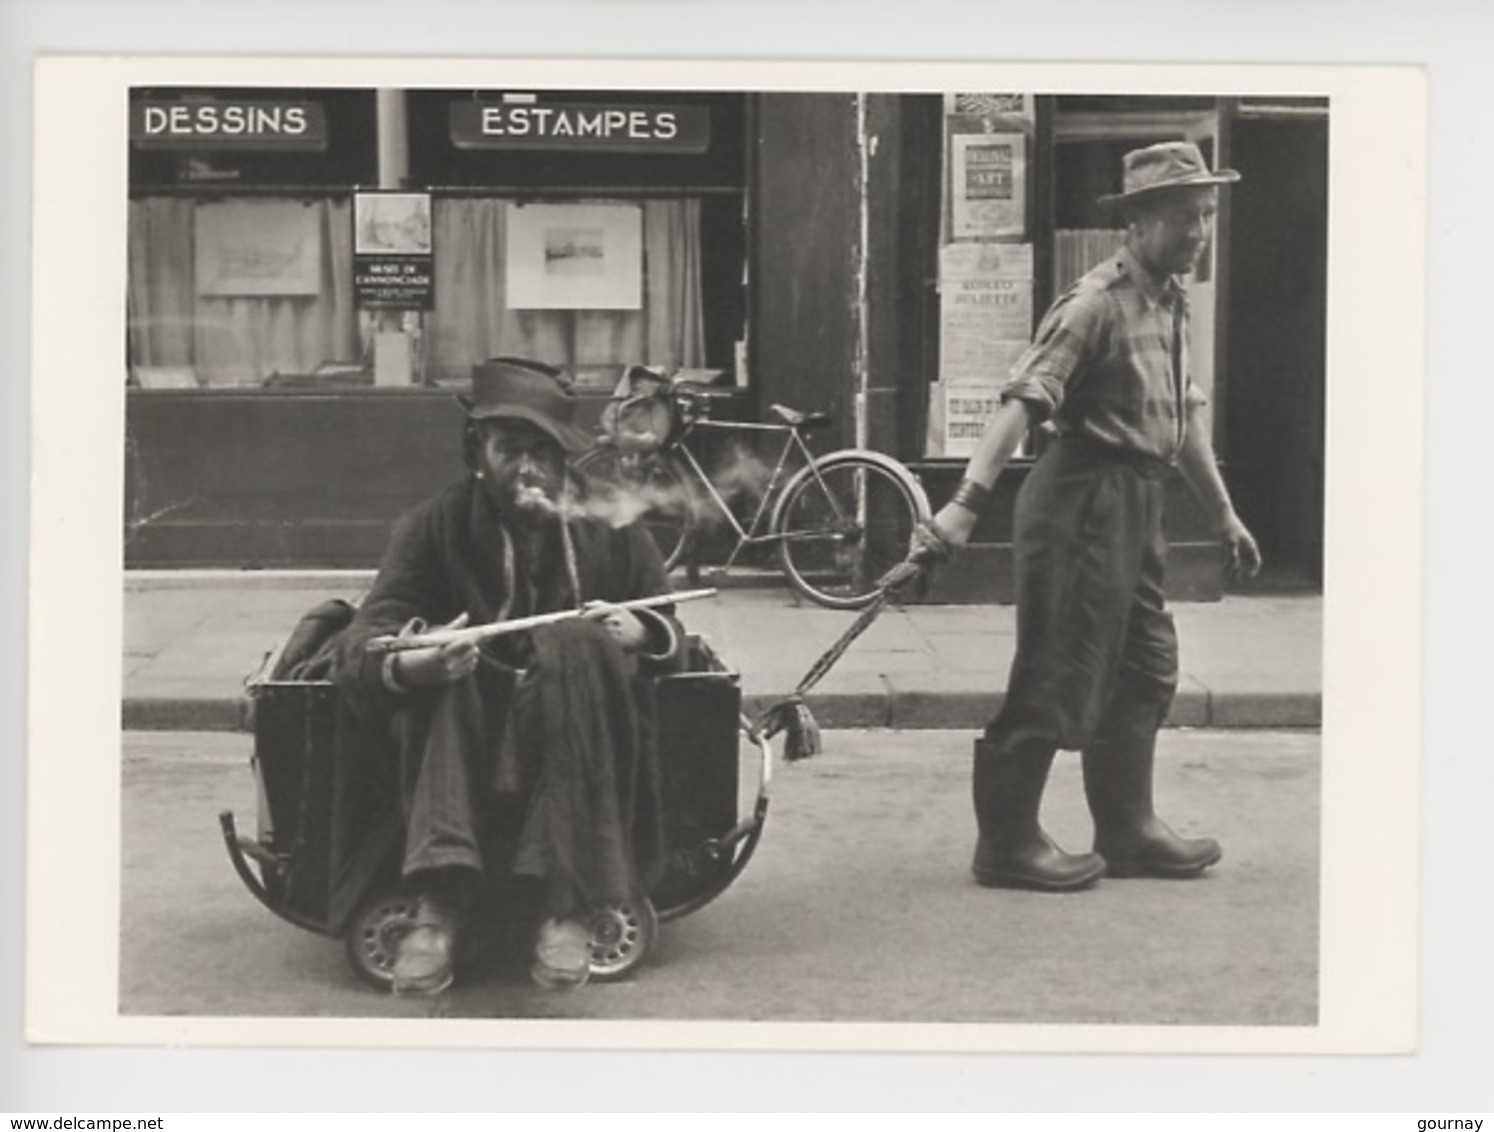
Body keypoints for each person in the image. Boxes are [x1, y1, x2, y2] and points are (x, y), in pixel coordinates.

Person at [915, 141, 1262, 892]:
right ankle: (1006, 844)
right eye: (1184, 218)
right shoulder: (1093, 303)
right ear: (1137, 221)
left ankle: (1128, 829)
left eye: (1207, 216)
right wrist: (964, 507)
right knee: (1056, 670)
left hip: (1138, 501)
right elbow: (1022, 400)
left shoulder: (1171, 300)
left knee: (1146, 668)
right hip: (1079, 501)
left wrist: (1225, 515)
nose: (1200, 232)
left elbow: (1185, 418)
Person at [327, 357, 683, 994]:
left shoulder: (611, 527)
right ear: (477, 451)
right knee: (451, 662)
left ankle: (563, 902)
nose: (528, 469)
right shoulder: (432, 528)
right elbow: (360, 645)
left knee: (577, 646)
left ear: (563, 460)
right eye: (510, 450)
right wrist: (415, 662)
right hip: (464, 726)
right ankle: (439, 905)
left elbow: (670, 628)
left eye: (543, 454)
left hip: (575, 721)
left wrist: (642, 632)